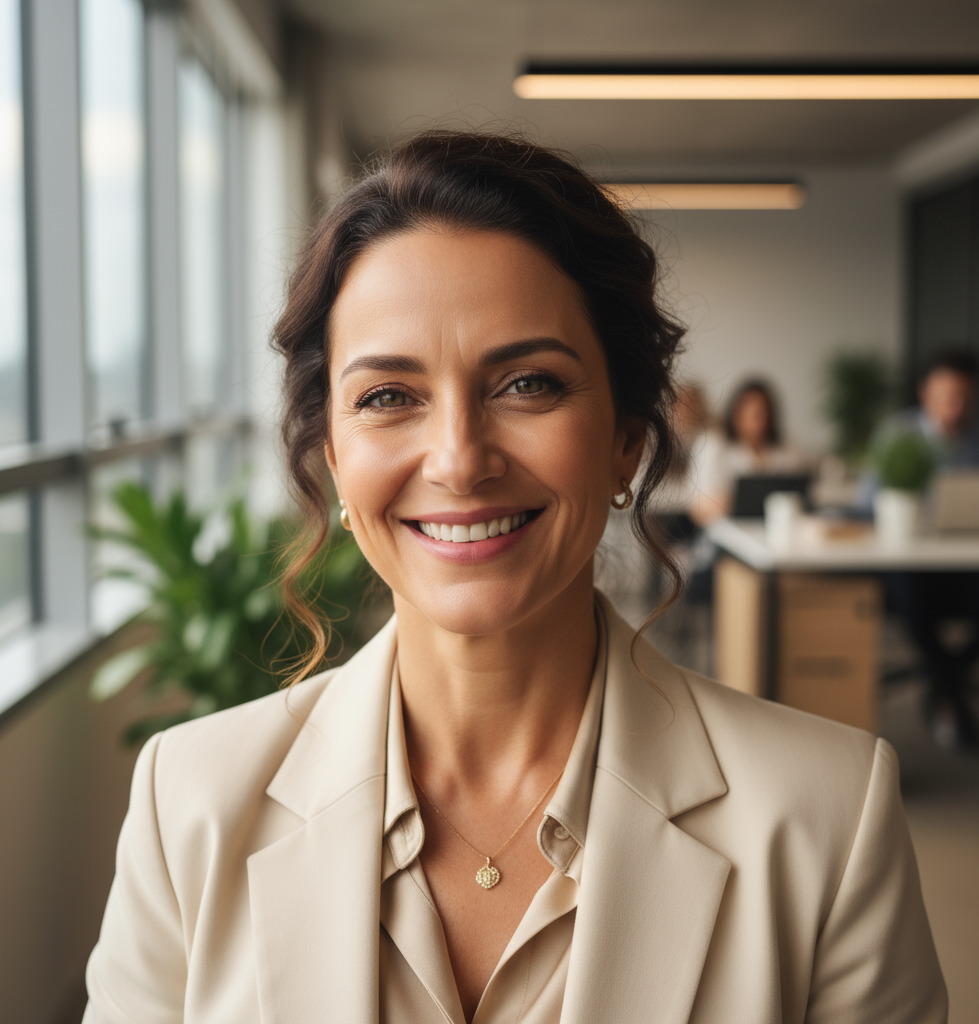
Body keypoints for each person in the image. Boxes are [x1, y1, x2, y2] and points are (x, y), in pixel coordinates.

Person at [82, 131, 946, 1023]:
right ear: (333, 458)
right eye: (388, 396)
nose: (459, 460)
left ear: (625, 439)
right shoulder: (187, 804)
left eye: (528, 383)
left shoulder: (827, 817)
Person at [879, 349, 979, 749]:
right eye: (946, 396)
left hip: (962, 561)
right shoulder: (898, 434)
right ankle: (950, 693)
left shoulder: (974, 438)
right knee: (909, 592)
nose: (954, 407)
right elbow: (871, 500)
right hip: (910, 565)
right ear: (925, 393)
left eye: (963, 397)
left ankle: (943, 682)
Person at [689, 378, 809, 525]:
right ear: (736, 415)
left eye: (765, 414)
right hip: (725, 533)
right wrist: (734, 502)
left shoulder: (786, 451)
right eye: (755, 414)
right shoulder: (714, 447)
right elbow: (699, 511)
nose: (761, 422)